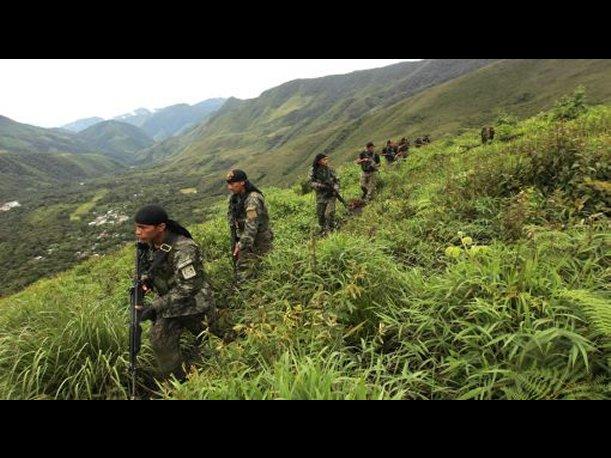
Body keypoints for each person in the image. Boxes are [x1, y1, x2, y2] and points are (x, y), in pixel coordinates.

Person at [134, 204, 223, 382]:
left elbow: (190, 286)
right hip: (171, 307)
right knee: (159, 339)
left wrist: (154, 307)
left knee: (221, 337)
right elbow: (154, 270)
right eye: (137, 227)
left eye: (143, 228)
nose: (137, 232)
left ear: (161, 227)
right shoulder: (150, 245)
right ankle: (179, 381)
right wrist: (145, 282)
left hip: (195, 305)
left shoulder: (183, 248)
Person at [227, 169, 274, 284]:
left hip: (259, 239)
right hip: (244, 237)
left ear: (242, 182)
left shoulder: (253, 199)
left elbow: (251, 226)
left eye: (232, 183)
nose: (229, 187)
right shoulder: (235, 198)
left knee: (265, 267)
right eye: (228, 184)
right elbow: (232, 219)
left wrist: (241, 245)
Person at [309, 153, 340, 235]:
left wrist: (336, 187)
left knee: (329, 213)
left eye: (327, 159)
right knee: (320, 215)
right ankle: (323, 229)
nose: (326, 161)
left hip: (331, 194)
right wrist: (320, 186)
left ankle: (331, 229)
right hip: (321, 196)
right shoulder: (313, 170)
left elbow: (337, 180)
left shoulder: (330, 169)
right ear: (319, 161)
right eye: (324, 159)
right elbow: (311, 183)